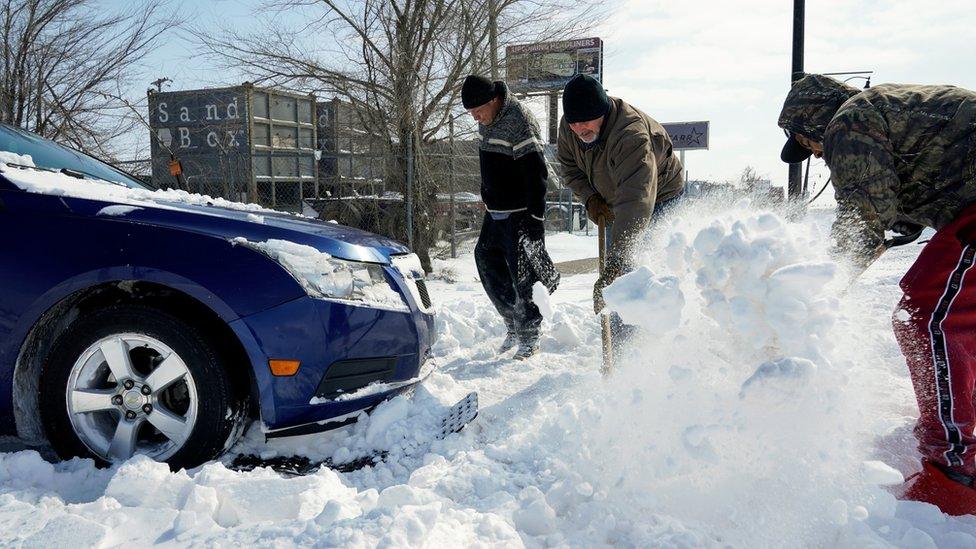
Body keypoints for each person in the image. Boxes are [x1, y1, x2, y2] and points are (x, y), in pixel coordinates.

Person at [778, 73, 976, 516]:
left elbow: (862, 220)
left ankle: (955, 472)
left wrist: (815, 296)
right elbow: (908, 189)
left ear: (812, 123)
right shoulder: (884, 109)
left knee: (927, 314)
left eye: (808, 144)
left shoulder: (847, 123)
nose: (815, 153)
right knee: (958, 312)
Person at [556, 74, 684, 325]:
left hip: (658, 197)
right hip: (613, 199)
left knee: (629, 272)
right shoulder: (570, 127)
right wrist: (591, 198)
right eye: (574, 123)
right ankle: (619, 344)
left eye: (586, 122)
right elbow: (569, 168)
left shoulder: (630, 135)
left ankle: (645, 340)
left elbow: (636, 198)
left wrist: (617, 261)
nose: (579, 130)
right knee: (617, 277)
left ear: (602, 112)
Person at [463, 74, 557, 360]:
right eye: (471, 115)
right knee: (487, 262)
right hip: (495, 211)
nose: (476, 119)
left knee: (522, 274)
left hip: (520, 212)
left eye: (478, 111)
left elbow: (536, 172)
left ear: (494, 101)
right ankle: (513, 324)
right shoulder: (487, 120)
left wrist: (536, 219)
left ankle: (530, 334)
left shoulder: (519, 120)